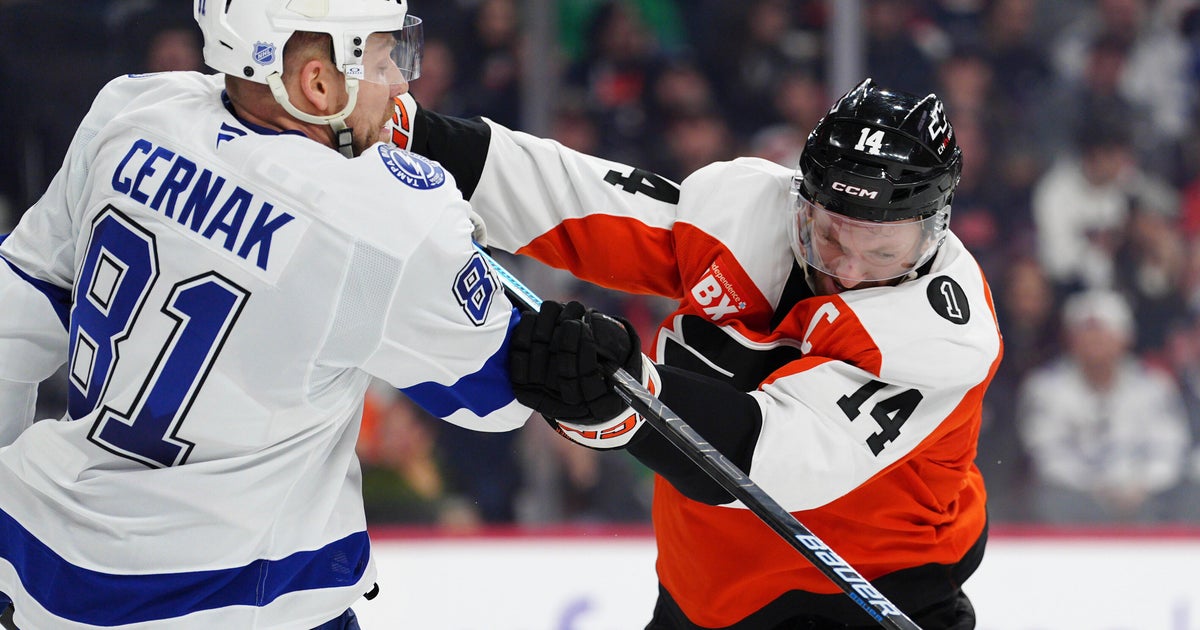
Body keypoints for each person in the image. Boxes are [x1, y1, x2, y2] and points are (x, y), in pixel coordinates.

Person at [0, 1, 537, 628]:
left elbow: (17, 313)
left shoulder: (133, 108)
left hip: (42, 566)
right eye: (383, 59)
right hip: (234, 599)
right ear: (318, 82)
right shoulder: (380, 218)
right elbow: (494, 400)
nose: (399, 85)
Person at [394, 78, 1001, 628]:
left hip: (875, 590)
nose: (848, 269)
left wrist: (629, 398)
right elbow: (584, 206)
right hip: (705, 589)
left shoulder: (944, 336)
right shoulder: (745, 212)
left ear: (934, 228)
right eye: (830, 235)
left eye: (884, 251)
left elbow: (766, 460)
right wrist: (412, 135)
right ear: (804, 200)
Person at [1017, 289, 1190, 524]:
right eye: (1086, 333)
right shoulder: (1044, 388)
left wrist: (1140, 486)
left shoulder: (1154, 386)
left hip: (1143, 500)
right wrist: (1096, 488)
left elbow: (1170, 449)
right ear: (1070, 339)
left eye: (1104, 332)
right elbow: (1046, 454)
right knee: (1047, 498)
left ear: (1126, 337)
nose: (1095, 341)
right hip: (1074, 501)